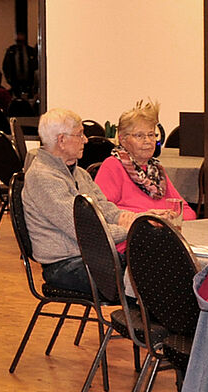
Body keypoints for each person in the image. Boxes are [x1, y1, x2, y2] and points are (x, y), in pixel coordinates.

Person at [22, 108, 135, 295]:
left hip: (88, 257)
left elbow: (105, 208)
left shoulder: (79, 173)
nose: (86, 140)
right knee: (146, 277)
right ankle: (137, 324)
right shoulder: (43, 177)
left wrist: (137, 218)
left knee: (152, 266)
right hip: (63, 266)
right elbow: (85, 231)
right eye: (80, 134)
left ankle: (142, 323)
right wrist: (130, 229)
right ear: (61, 140)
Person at [94, 100, 196, 220]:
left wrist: (171, 215)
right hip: (131, 233)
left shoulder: (156, 170)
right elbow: (102, 211)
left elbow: (188, 211)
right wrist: (145, 217)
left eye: (151, 135)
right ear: (122, 139)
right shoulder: (113, 165)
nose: (147, 140)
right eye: (139, 136)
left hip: (161, 231)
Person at [2, 32, 38, 97]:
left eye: (21, 41)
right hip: (15, 82)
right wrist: (9, 79)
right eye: (18, 41)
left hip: (29, 82)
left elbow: (35, 65)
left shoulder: (30, 51)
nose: (19, 43)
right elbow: (6, 66)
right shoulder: (11, 51)